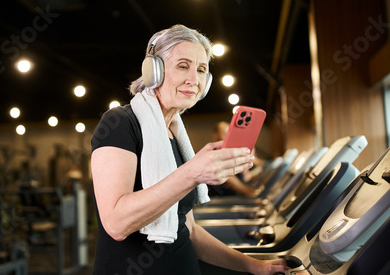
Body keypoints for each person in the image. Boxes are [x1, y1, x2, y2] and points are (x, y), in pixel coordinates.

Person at [91, 24, 288, 274]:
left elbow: (189, 231)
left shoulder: (173, 133)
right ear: (154, 71)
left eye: (202, 69)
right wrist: (193, 173)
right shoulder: (119, 122)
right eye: (183, 66)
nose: (194, 80)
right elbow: (116, 223)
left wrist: (255, 266)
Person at [209, 121, 259, 197]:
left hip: (231, 197)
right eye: (224, 133)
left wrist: (256, 171)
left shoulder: (233, 153)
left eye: (229, 132)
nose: (228, 136)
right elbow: (229, 178)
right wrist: (248, 192)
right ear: (216, 136)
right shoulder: (215, 154)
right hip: (216, 200)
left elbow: (245, 177)